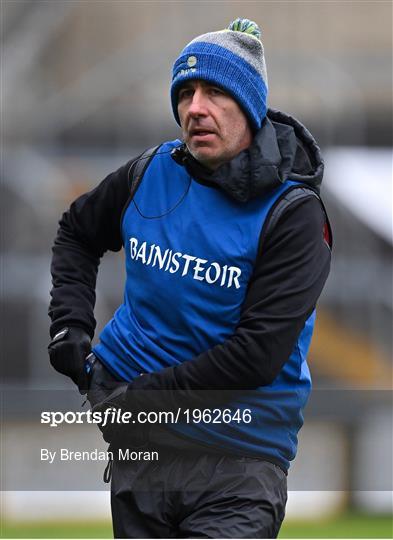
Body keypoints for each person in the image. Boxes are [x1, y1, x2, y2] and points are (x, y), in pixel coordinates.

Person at [48, 18, 332, 539]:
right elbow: (76, 233)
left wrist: (142, 398)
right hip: (143, 450)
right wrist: (69, 326)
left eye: (215, 92)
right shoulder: (151, 171)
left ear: (249, 107)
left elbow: (257, 355)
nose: (194, 108)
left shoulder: (294, 214)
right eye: (186, 92)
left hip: (240, 461)